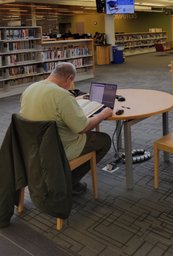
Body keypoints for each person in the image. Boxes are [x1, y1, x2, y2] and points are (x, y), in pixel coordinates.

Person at [19, 62, 112, 195]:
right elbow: (82, 127)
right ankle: (71, 182)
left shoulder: (30, 88)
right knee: (104, 140)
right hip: (56, 149)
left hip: (30, 146)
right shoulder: (61, 95)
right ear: (69, 78)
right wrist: (103, 114)